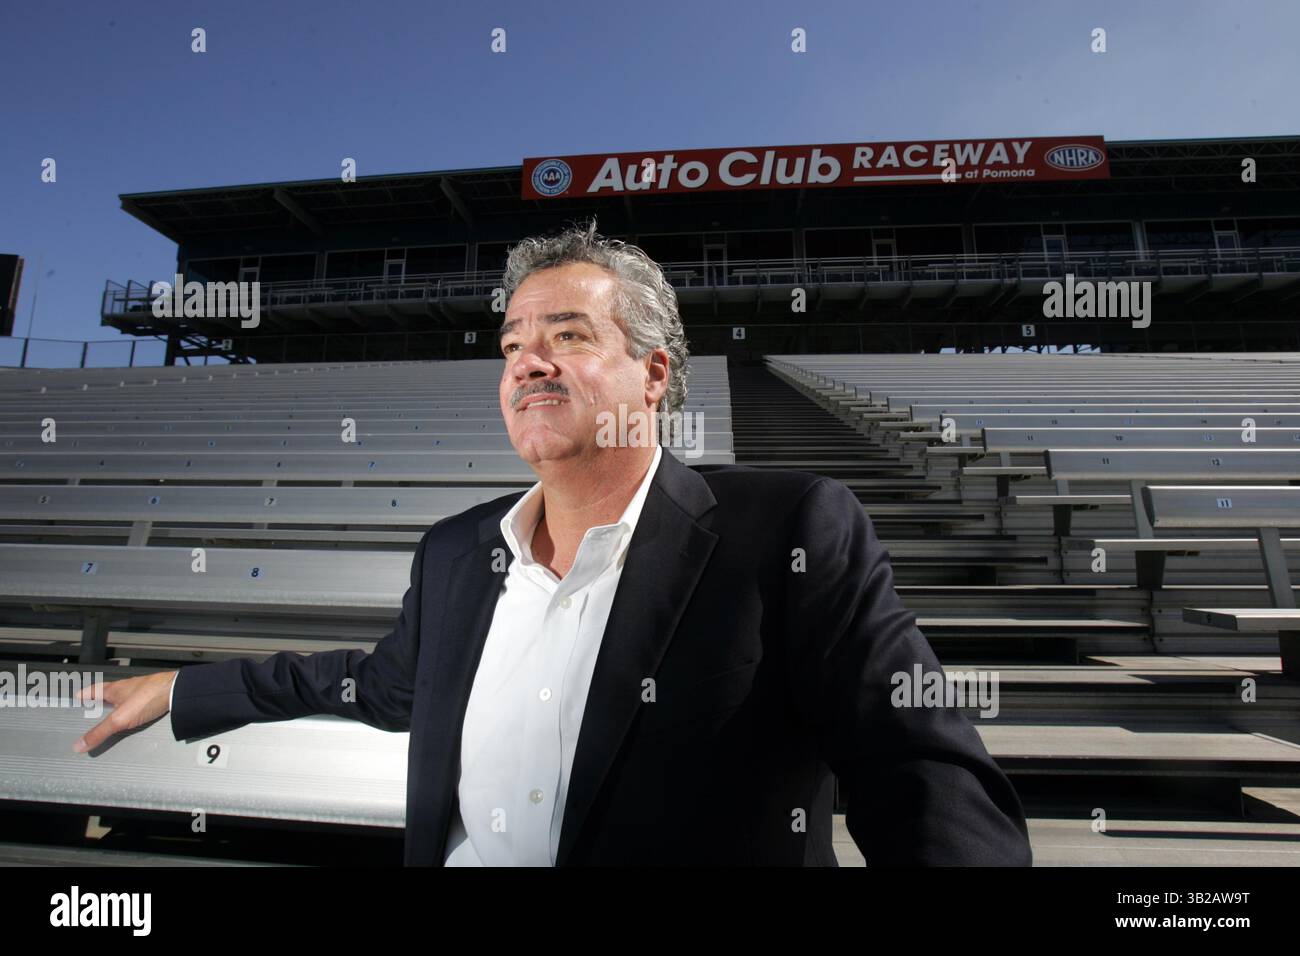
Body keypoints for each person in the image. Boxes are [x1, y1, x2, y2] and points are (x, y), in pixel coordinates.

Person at [75, 219, 1032, 866]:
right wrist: (179, 686)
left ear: (653, 373)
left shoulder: (789, 531)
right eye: (511, 343)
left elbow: (926, 781)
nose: (526, 360)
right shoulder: (455, 554)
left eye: (568, 335)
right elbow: (376, 682)